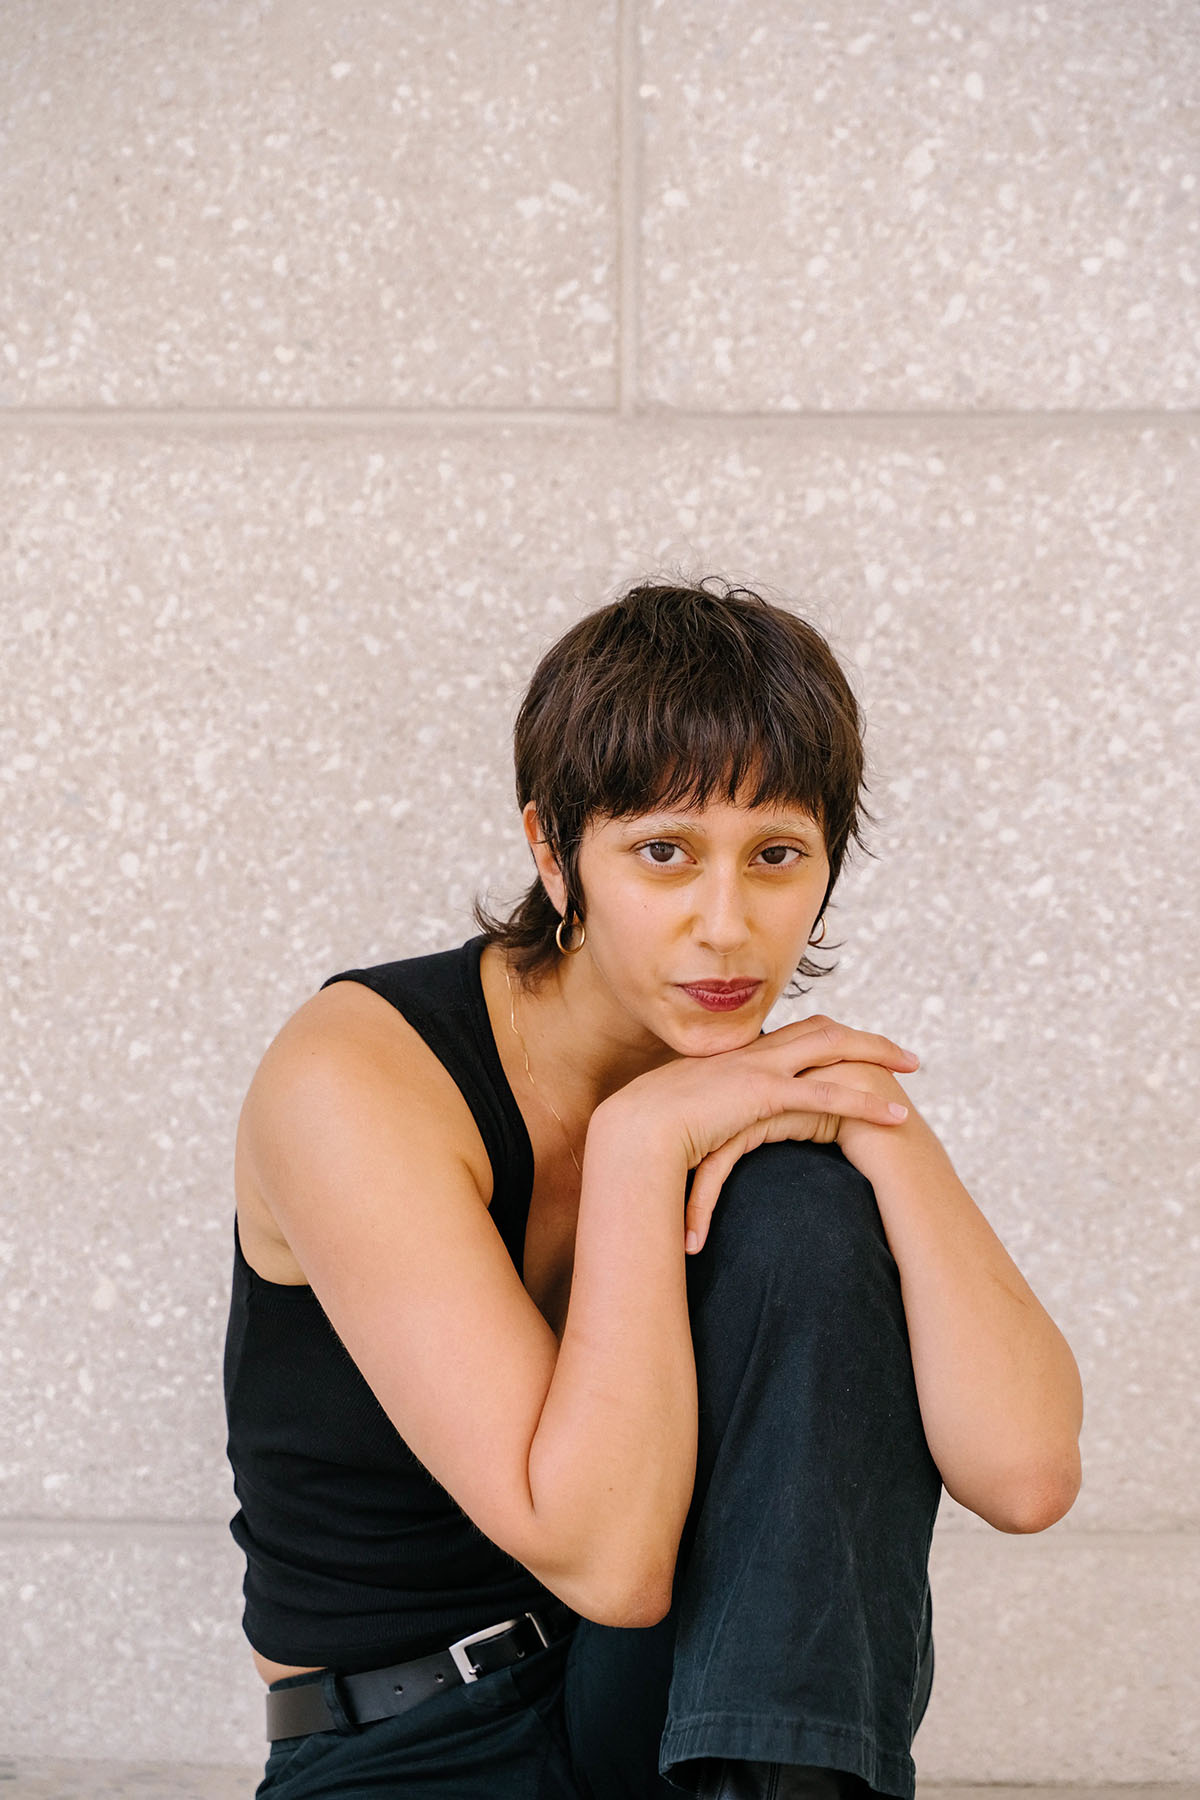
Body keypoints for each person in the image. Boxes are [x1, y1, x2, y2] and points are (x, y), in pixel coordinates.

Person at [223, 577, 1084, 1800]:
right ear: (554, 853)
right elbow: (609, 1562)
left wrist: (886, 1131)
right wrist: (635, 1146)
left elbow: (1028, 1477)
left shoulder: (762, 1099)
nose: (726, 926)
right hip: (413, 1739)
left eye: (776, 856)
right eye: (664, 853)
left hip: (675, 1713)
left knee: (809, 1209)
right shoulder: (358, 1078)